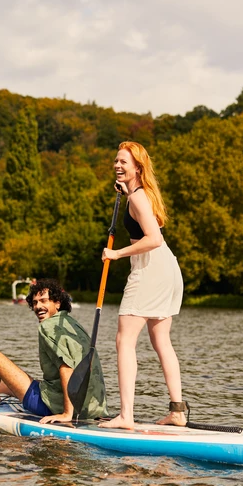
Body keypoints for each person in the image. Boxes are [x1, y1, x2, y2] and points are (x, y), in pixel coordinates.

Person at [98, 141, 186, 431]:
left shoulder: (138, 198)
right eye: (116, 161)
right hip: (167, 268)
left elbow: (153, 239)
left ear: (138, 167)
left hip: (151, 270)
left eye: (124, 162)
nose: (117, 166)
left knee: (124, 340)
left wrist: (116, 254)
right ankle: (177, 411)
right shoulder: (140, 194)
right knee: (161, 340)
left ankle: (126, 415)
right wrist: (125, 193)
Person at [0, 279, 108, 423]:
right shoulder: (73, 324)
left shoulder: (48, 326)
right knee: (7, 384)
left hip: (55, 407)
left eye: (43, 301)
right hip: (92, 408)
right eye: (34, 303)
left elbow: (67, 369)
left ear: (57, 303)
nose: (38, 306)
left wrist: (66, 414)